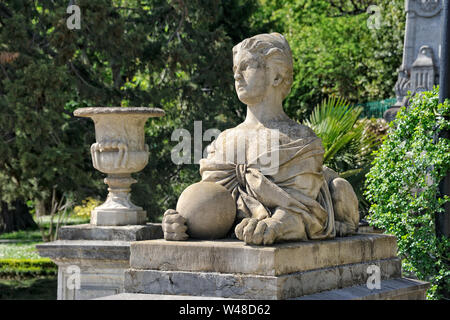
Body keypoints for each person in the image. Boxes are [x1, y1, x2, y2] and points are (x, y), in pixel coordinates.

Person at [163, 33, 359, 245]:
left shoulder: (301, 140)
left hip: (301, 220)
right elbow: (206, 202)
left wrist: (274, 226)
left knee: (339, 186)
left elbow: (301, 212)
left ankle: (347, 223)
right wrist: (179, 222)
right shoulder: (222, 141)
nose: (237, 76)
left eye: (246, 66)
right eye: (235, 69)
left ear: (276, 76)